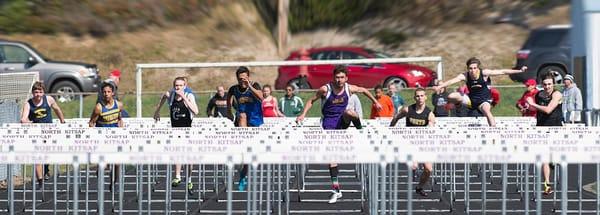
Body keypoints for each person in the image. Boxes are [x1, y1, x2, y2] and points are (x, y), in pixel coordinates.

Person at [296, 65, 382, 204]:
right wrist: (302, 114)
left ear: (346, 78)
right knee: (332, 160)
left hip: (342, 120)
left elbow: (364, 90)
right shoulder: (325, 89)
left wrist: (376, 102)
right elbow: (311, 100)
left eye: (342, 77)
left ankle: (360, 131)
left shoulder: (349, 88)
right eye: (337, 77)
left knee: (350, 112)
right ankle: (337, 190)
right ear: (333, 78)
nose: (339, 80)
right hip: (328, 124)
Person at [434, 57, 527, 126]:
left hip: (484, 101)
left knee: (487, 111)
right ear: (468, 69)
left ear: (478, 68)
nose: (473, 70)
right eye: (470, 68)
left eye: (475, 68)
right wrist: (440, 86)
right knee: (451, 96)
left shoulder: (484, 73)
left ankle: (494, 131)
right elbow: (452, 81)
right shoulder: (465, 75)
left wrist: (519, 71)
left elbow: (502, 72)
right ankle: (458, 104)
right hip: (471, 100)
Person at [153, 77, 199, 195]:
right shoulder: (171, 95)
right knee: (177, 152)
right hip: (175, 130)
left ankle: (189, 180)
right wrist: (157, 111)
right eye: (176, 86)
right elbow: (164, 96)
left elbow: (196, 111)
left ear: (185, 86)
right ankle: (177, 176)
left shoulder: (189, 95)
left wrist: (184, 98)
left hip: (188, 130)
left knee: (189, 157)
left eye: (180, 85)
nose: (177, 88)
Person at [390, 88, 435, 197]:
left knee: (429, 169)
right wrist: (390, 130)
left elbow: (432, 129)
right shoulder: (407, 110)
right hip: (410, 143)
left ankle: (419, 187)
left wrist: (429, 128)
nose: (420, 98)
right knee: (414, 166)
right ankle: (413, 170)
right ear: (415, 98)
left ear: (425, 97)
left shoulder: (430, 114)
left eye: (422, 96)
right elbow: (396, 118)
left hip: (424, 144)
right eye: (418, 96)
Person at [20, 81, 66, 188]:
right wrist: (28, 122)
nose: (38, 94)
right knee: (38, 158)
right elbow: (23, 118)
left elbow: (57, 109)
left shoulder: (49, 99)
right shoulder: (28, 104)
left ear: (43, 92)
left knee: (47, 154)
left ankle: (46, 169)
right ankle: (40, 182)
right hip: (36, 134)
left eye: (40, 92)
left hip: (49, 132)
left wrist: (62, 121)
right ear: (32, 93)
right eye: (36, 92)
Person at [226, 66, 264, 191]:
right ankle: (243, 141)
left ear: (248, 77)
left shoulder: (255, 85)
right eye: (240, 79)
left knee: (249, 154)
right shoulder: (234, 89)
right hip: (242, 120)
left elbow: (261, 97)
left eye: (244, 78)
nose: (242, 80)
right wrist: (229, 112)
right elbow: (228, 98)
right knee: (242, 115)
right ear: (237, 78)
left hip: (255, 120)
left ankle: (243, 175)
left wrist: (249, 86)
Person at [526, 72, 563, 195]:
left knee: (551, 156)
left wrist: (533, 104)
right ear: (542, 85)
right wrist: (528, 105)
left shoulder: (557, 94)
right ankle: (547, 185)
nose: (547, 87)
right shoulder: (538, 95)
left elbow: (548, 110)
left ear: (553, 84)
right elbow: (533, 109)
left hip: (555, 128)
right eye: (545, 84)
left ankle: (554, 157)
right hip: (541, 128)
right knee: (544, 158)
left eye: (549, 84)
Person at [89, 82, 124, 191]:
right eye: (104, 92)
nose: (106, 94)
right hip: (102, 140)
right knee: (104, 165)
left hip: (115, 138)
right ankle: (99, 175)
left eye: (108, 92)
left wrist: (121, 127)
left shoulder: (119, 105)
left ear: (113, 93)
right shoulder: (98, 108)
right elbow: (91, 123)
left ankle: (114, 183)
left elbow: (119, 118)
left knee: (117, 163)